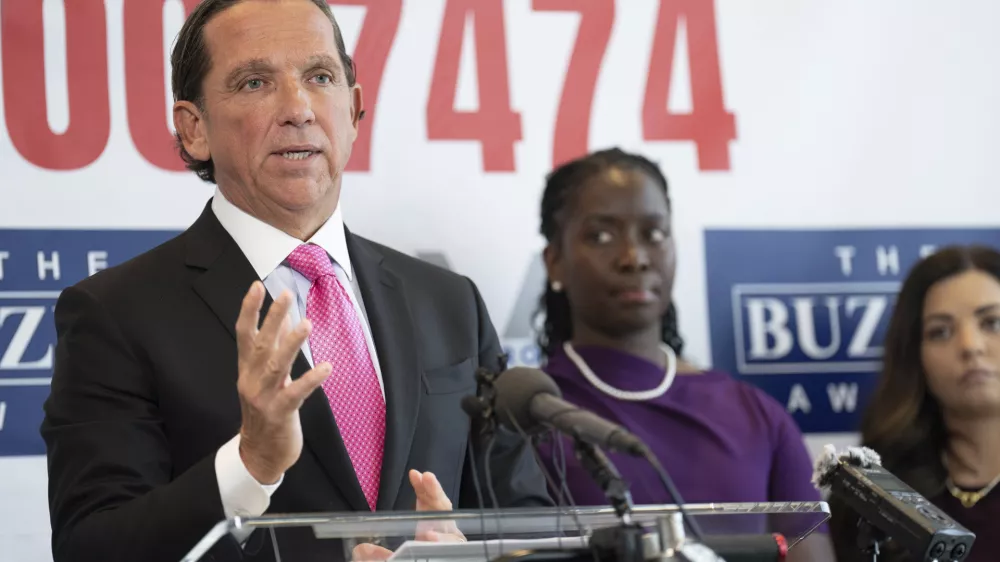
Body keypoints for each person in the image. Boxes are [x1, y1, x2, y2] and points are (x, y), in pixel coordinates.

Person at [40, 1, 550, 561]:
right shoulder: (117, 313)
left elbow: (527, 520)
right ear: (193, 129)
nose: (299, 108)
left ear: (354, 111)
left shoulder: (449, 303)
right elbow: (92, 546)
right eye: (255, 82)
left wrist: (475, 556)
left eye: (320, 77)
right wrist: (251, 462)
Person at [531, 148, 835, 561]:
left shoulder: (755, 415)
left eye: (653, 234)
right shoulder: (529, 418)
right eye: (601, 236)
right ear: (554, 262)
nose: (634, 257)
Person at [829, 246, 1000, 562]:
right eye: (941, 332)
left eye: (992, 323)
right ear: (915, 356)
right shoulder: (873, 494)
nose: (970, 346)